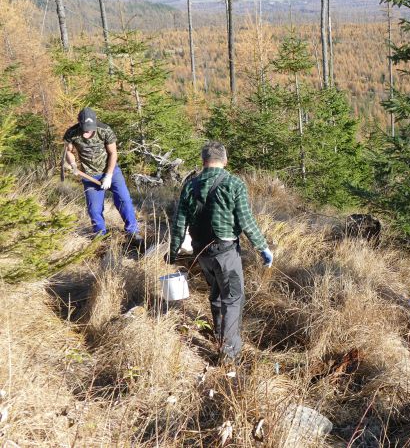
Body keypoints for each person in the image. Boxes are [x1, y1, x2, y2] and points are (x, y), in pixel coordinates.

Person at [167, 141, 273, 363]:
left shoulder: (190, 185)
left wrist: (173, 251)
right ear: (225, 160)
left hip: (201, 252)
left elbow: (179, 222)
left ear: (203, 161)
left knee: (215, 291)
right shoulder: (234, 184)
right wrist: (262, 247)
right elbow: (245, 220)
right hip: (225, 251)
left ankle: (218, 332)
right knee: (233, 297)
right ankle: (229, 353)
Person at [63, 107, 141, 241]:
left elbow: (113, 153)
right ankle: (100, 237)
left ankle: (132, 232)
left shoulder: (104, 130)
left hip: (111, 171)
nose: (88, 130)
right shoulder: (72, 133)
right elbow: (68, 151)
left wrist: (109, 175)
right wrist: (74, 165)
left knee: (124, 200)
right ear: (79, 123)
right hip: (89, 175)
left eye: (90, 126)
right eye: (85, 127)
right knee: (94, 209)